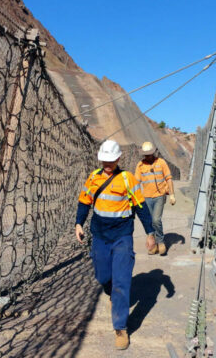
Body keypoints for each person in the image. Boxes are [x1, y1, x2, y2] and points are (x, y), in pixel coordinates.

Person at [75, 139, 156, 350]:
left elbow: (141, 206)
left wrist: (149, 232)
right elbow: (84, 201)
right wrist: (78, 223)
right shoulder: (93, 178)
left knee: (122, 280)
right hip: (100, 235)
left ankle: (120, 327)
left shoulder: (128, 179)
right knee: (103, 276)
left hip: (122, 236)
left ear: (118, 159)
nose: (107, 164)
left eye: (111, 160)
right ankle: (111, 292)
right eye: (104, 160)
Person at [134, 141, 176, 256]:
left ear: (153, 153)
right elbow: (136, 183)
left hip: (159, 196)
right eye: (145, 154)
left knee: (156, 220)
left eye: (149, 154)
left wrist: (172, 194)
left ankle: (161, 242)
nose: (147, 156)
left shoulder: (161, 162)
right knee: (149, 221)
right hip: (146, 197)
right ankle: (153, 244)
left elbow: (168, 178)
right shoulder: (140, 165)